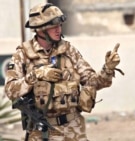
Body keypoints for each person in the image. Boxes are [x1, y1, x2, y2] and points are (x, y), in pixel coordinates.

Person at [4, 3, 123, 141]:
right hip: (42, 132)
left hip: (74, 130)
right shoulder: (23, 55)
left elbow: (93, 82)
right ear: (41, 29)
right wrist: (35, 75)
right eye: (54, 26)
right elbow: (10, 90)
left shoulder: (69, 51)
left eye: (60, 25)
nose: (58, 30)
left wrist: (108, 69)